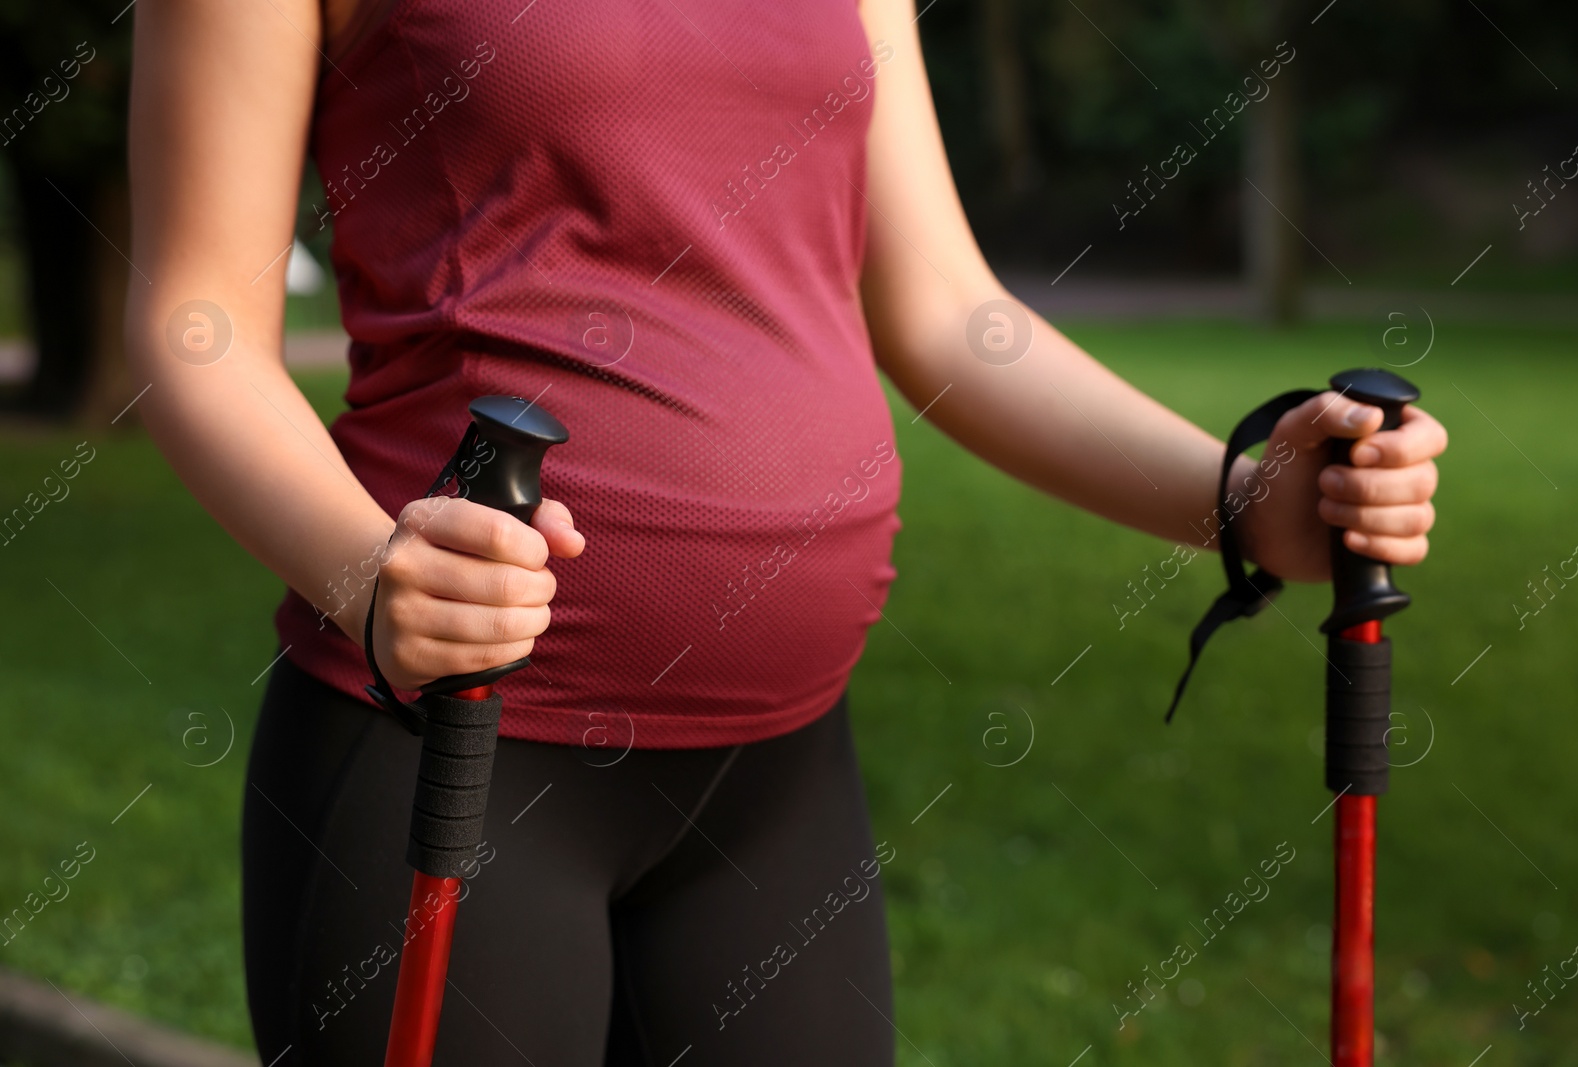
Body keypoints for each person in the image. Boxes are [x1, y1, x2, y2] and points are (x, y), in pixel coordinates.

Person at [125, 0, 1447, 1063]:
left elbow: (944, 316)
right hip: (452, 740)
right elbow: (196, 325)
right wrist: (368, 579)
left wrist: (1242, 501)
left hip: (778, 783)